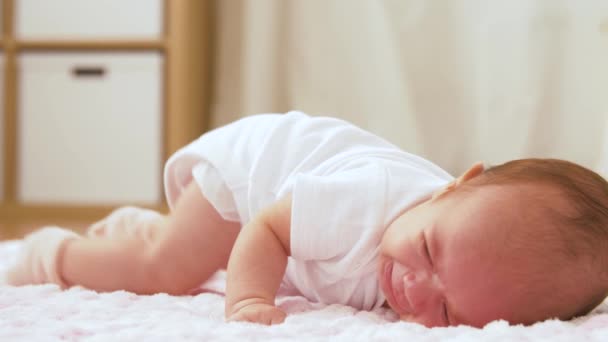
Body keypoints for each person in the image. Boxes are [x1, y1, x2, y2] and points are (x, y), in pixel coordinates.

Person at [5, 111, 608, 328]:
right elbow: (266, 229)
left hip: (281, 207)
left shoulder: (455, 239)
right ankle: (48, 253)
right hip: (252, 177)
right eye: (427, 251)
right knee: (167, 270)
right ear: (455, 186)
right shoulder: (369, 201)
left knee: (192, 256)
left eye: (449, 313)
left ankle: (141, 225)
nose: (414, 288)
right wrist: (246, 301)